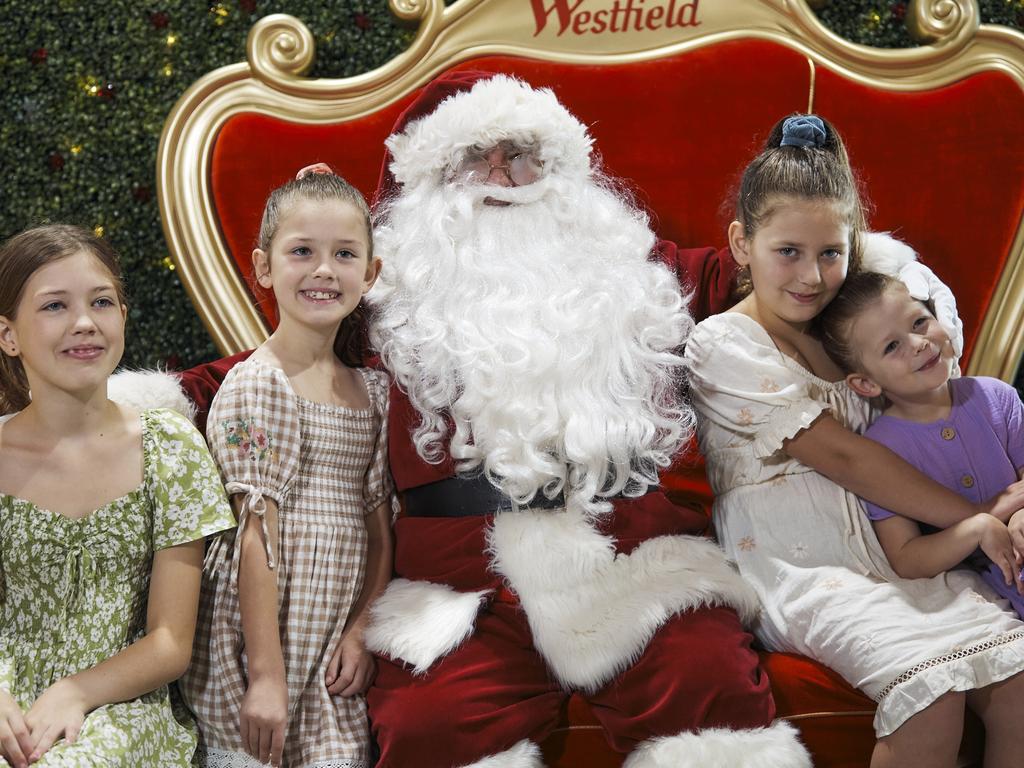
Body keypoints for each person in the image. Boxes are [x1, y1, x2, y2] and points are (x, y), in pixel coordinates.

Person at [356, 73, 807, 768]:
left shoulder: (635, 274)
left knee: (710, 694)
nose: (505, 173)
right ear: (431, 181)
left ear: (564, 171)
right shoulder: (384, 300)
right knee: (426, 727)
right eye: (480, 154)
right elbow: (265, 365)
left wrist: (874, 278)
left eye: (524, 152)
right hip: (459, 593)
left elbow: (772, 274)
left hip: (637, 565)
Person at [684, 114, 1024, 768]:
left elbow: (937, 413)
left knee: (1017, 688)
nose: (812, 277)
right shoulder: (722, 344)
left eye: (831, 253)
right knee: (932, 696)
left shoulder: (852, 332)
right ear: (741, 242)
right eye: (789, 251)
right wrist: (983, 518)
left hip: (903, 550)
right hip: (800, 566)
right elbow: (844, 454)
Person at [178, 171, 394, 768]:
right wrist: (266, 678)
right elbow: (255, 536)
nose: (324, 270)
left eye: (344, 254)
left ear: (370, 274)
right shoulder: (260, 383)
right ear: (264, 267)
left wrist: (362, 628)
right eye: (302, 251)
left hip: (333, 631)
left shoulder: (373, 394)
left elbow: (380, 534)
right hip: (262, 634)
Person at [0, 224, 234, 768]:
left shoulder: (170, 449)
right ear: (9, 335)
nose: (84, 322)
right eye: (54, 306)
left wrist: (76, 691)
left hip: (119, 702)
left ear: (123, 317)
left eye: (101, 302)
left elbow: (170, 642)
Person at [818, 270, 1024, 617]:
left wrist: (1019, 513)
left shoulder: (995, 396)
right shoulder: (881, 450)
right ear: (866, 384)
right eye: (892, 346)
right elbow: (906, 556)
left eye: (919, 322)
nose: (918, 343)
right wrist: (973, 530)